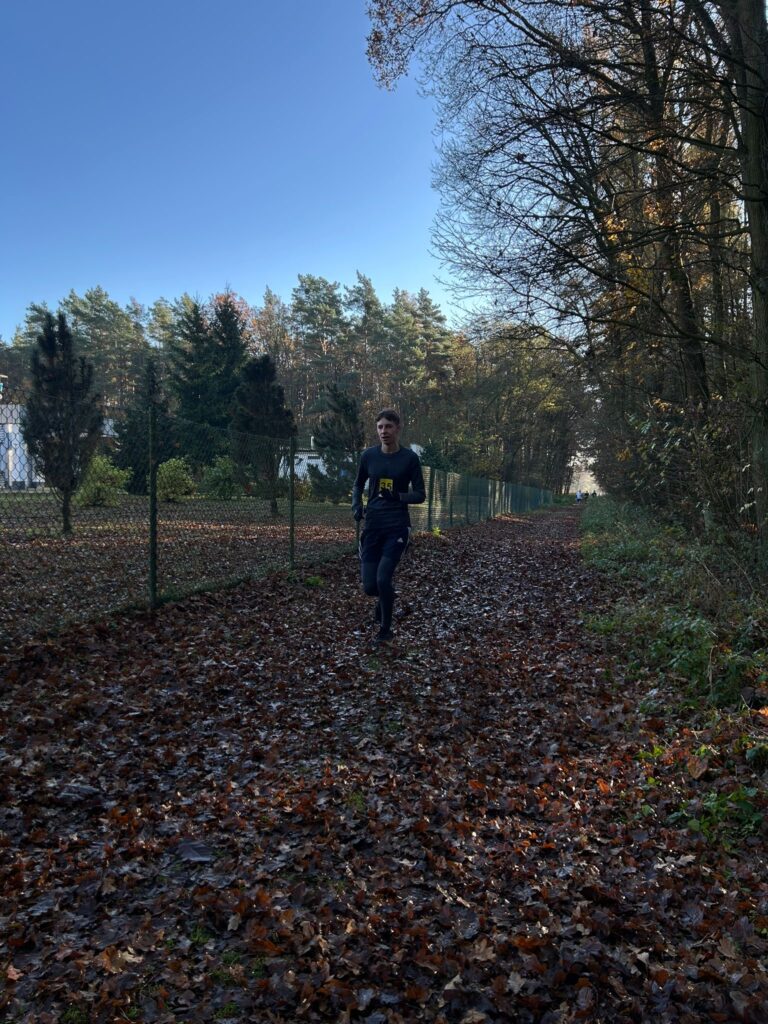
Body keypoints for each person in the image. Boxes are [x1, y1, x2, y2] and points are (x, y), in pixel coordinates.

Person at [352, 409, 426, 644]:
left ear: (398, 428)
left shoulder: (409, 459)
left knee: (383, 579)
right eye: (380, 427)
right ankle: (386, 600)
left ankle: (385, 630)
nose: (384, 431)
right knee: (370, 587)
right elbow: (357, 485)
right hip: (373, 525)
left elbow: (420, 494)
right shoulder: (368, 456)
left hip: (397, 526)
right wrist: (356, 505)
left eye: (388, 426)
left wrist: (398, 496)